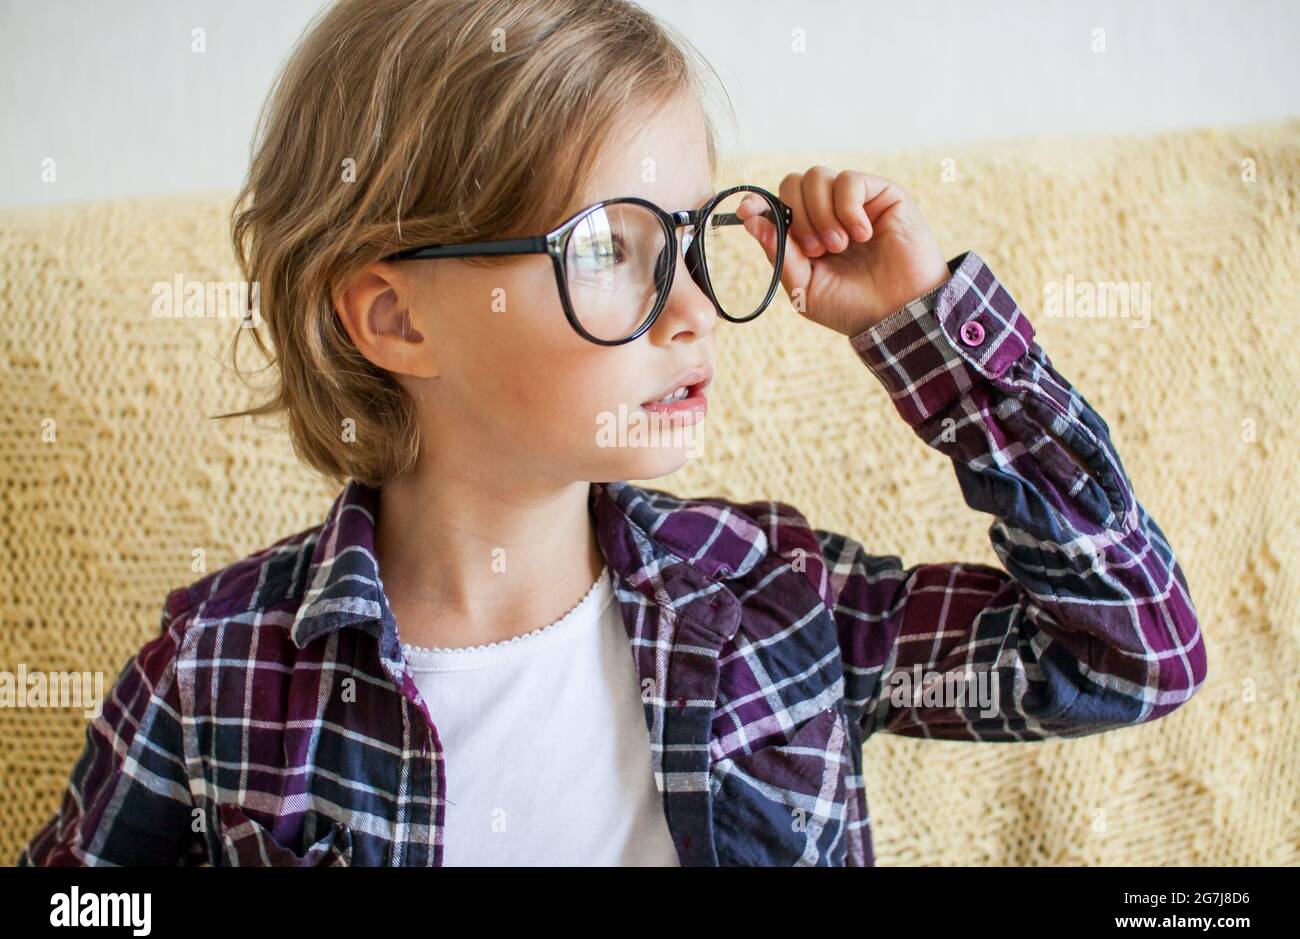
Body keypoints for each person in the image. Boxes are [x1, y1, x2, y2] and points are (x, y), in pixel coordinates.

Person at [18, 0, 1206, 867]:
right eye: (606, 249)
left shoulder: (778, 600)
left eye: (689, 237)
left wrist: (926, 328)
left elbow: (1131, 653)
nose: (692, 307)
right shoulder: (220, 668)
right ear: (393, 316)